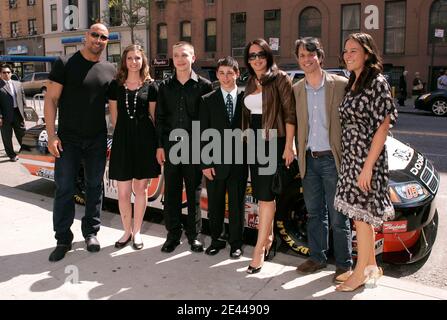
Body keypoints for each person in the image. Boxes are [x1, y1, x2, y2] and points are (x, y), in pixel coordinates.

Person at [44, 23, 116, 262]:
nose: (98, 39)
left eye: (103, 37)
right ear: (86, 36)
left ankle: (91, 232)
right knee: (64, 188)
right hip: (68, 140)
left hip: (96, 139)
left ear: (107, 41)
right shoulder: (65, 63)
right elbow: (51, 100)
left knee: (95, 187)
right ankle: (63, 238)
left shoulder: (109, 69)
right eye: (94, 35)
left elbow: (117, 104)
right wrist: (52, 135)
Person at [334, 33, 398, 292]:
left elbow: (383, 127)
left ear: (367, 53)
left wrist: (368, 167)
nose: (348, 55)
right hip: (352, 157)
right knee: (362, 217)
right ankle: (371, 267)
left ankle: (359, 273)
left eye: (353, 51)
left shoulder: (377, 82)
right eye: (345, 51)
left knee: (361, 219)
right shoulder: (354, 81)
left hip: (366, 159)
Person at [292, 37, 353, 283]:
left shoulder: (340, 84)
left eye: (311, 54)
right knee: (315, 213)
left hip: (333, 160)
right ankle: (317, 257)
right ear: (298, 59)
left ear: (320, 56)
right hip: (309, 160)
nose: (307, 59)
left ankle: (344, 264)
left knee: (339, 216)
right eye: (302, 55)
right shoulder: (296, 89)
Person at [242, 39, 296, 274]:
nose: (256, 59)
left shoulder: (280, 78)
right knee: (262, 193)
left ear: (268, 55)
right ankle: (269, 237)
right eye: (252, 56)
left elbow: (290, 113)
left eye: (260, 54)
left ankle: (259, 250)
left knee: (265, 196)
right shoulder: (250, 81)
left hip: (272, 140)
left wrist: (289, 145)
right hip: (252, 141)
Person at [155, 42, 213, 253]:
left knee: (194, 194)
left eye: (185, 55)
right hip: (171, 148)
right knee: (171, 194)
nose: (180, 59)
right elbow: (160, 118)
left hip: (195, 149)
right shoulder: (164, 86)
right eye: (176, 55)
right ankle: (172, 235)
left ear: (193, 58)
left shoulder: (205, 86)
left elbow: (208, 122)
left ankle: (194, 236)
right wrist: (160, 146)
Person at [108, 45, 160, 250]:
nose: (133, 62)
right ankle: (126, 231)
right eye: (130, 58)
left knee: (140, 189)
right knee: (122, 193)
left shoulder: (151, 86)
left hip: (145, 142)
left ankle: (137, 232)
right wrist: (123, 135)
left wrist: (157, 145)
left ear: (143, 61)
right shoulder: (115, 85)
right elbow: (114, 117)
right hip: (122, 141)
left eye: (137, 58)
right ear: (124, 61)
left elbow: (154, 118)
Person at [199, 56, 247, 259]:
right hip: (215, 163)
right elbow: (201, 132)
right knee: (215, 205)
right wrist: (205, 162)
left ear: (237, 74)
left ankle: (236, 243)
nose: (226, 77)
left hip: (239, 162)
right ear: (217, 75)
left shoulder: (247, 99)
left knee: (237, 205)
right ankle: (216, 240)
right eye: (222, 73)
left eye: (230, 72)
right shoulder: (208, 100)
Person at [0, 64, 26, 162]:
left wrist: (25, 113)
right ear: (0, 74)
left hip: (17, 113)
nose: (6, 74)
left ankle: (24, 151)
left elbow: (23, 100)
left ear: (11, 73)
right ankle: (11, 155)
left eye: (8, 72)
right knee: (7, 136)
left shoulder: (18, 84)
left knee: (22, 134)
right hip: (5, 115)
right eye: (4, 72)